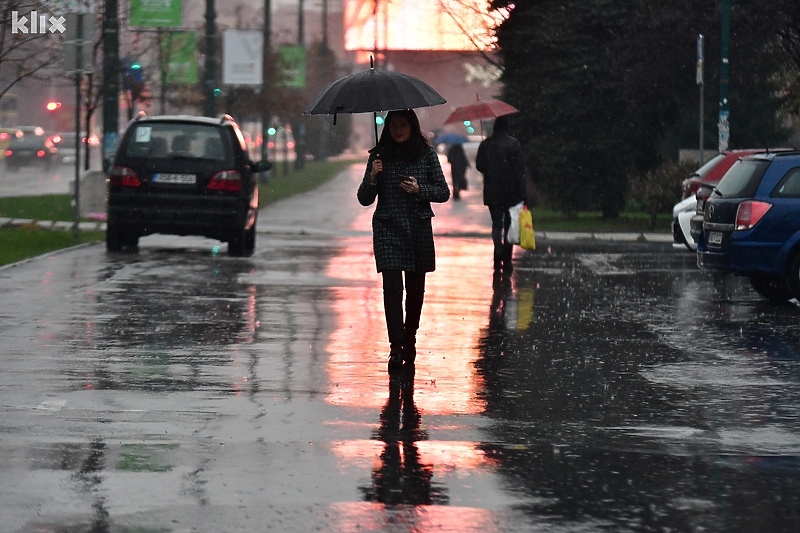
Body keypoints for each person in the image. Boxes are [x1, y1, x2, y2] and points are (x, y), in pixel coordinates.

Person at [357, 109, 451, 373]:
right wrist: (373, 177)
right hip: (388, 227)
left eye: (403, 125)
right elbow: (364, 199)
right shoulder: (378, 156)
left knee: (415, 291)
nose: (398, 130)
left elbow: (443, 192)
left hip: (417, 227)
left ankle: (410, 339)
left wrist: (420, 190)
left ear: (412, 127)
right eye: (393, 125)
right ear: (387, 127)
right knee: (392, 289)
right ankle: (395, 347)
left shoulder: (426, 154)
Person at [475, 115, 527, 274]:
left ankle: (497, 250)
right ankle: (507, 259)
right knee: (509, 225)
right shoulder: (513, 144)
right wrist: (522, 192)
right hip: (511, 191)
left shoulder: (486, 144)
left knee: (496, 223)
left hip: (492, 190)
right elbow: (519, 170)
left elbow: (479, 166)